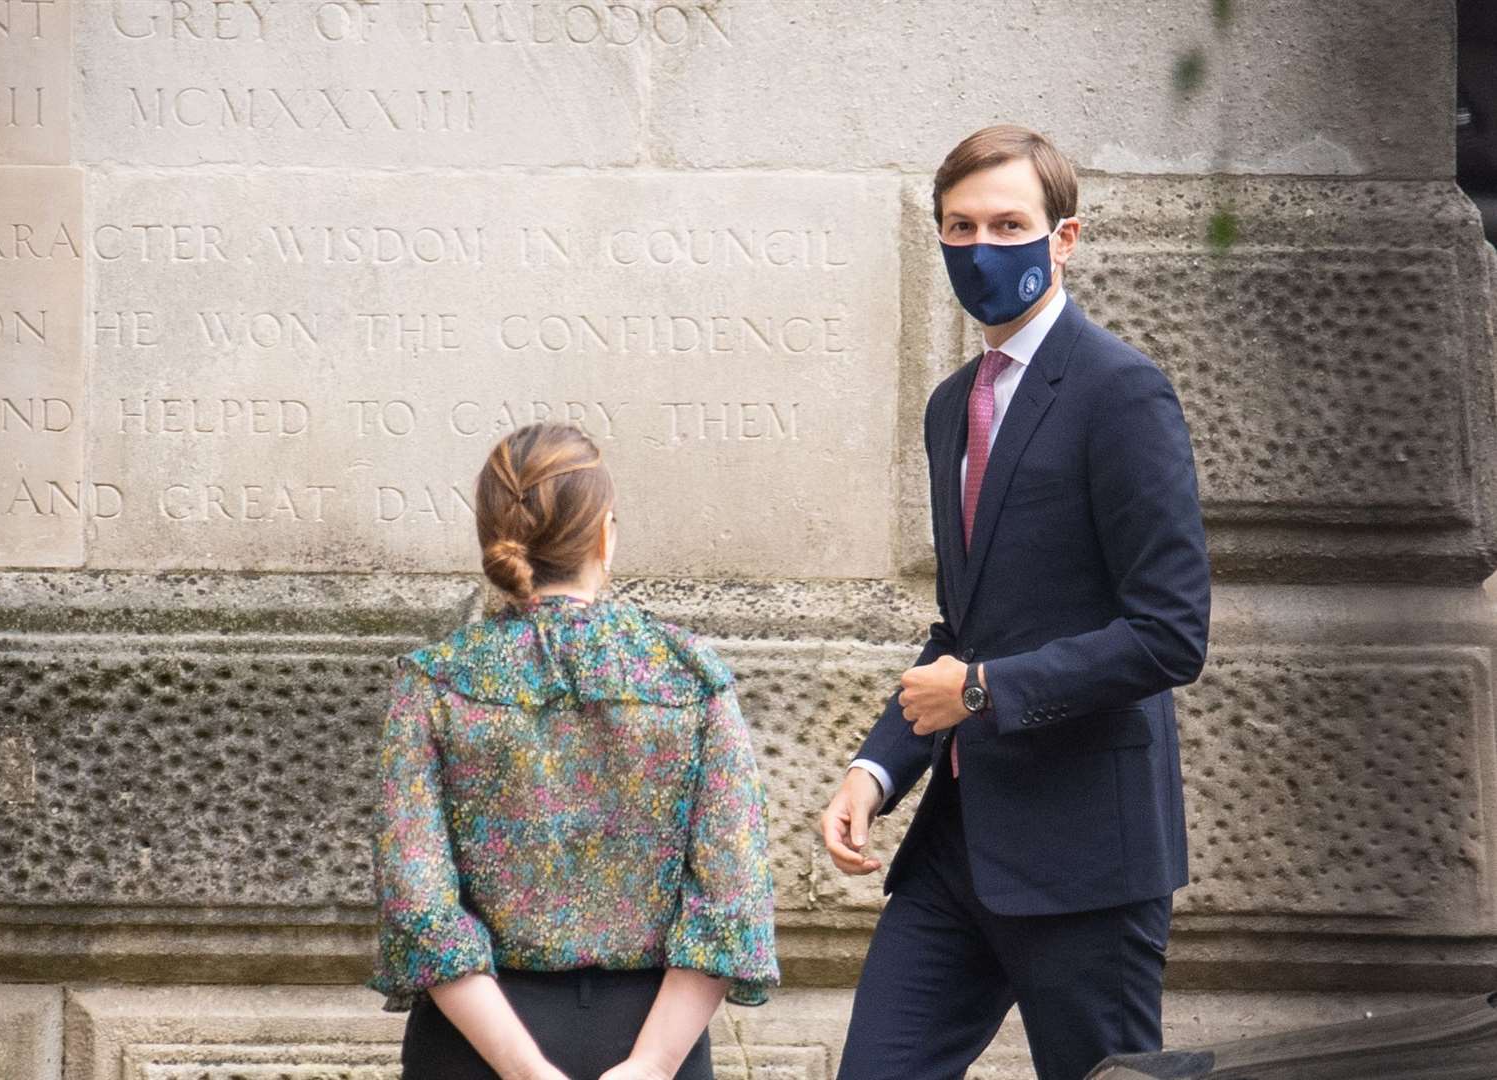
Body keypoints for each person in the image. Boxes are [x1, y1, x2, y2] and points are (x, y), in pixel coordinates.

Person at [820, 124, 1212, 1080]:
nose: (982, 249)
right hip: (957, 850)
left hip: (1087, 857)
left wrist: (986, 690)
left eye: (1008, 224)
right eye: (960, 228)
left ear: (1063, 238)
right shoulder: (953, 404)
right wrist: (875, 771)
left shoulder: (1123, 394)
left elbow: (1171, 634)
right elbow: (963, 629)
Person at [369, 421, 779, 1080]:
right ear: (604, 535)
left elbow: (422, 910)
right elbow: (732, 903)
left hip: (475, 1047)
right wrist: (651, 1064)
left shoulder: (437, 683)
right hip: (651, 1034)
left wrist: (528, 1070)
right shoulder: (690, 675)